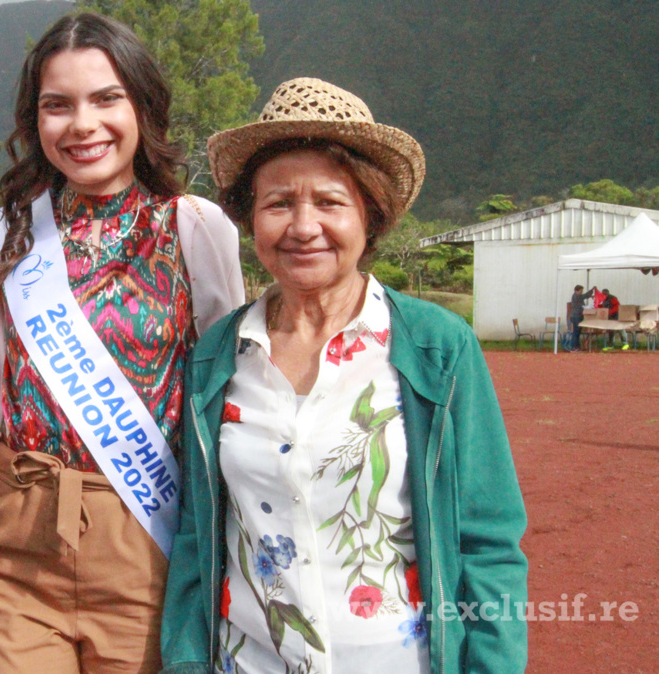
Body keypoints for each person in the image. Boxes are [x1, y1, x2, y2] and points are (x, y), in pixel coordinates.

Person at [161, 78, 528, 673]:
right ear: (251, 221)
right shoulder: (216, 357)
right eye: (278, 203)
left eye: (330, 202)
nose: (303, 227)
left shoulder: (437, 347)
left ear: (370, 214)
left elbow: (488, 540)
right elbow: (196, 543)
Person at [0, 12, 244, 673]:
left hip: (146, 537)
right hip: (15, 539)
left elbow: (228, 385)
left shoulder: (195, 226)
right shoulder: (11, 228)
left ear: (141, 105)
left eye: (106, 98)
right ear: (35, 123)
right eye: (56, 106)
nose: (82, 125)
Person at [567, 284, 595, 351]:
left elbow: (584, 296)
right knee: (576, 332)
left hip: (577, 316)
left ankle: (577, 347)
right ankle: (574, 347)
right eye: (581, 290)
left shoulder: (576, 296)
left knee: (577, 332)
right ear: (577, 291)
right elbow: (584, 296)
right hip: (576, 316)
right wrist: (592, 290)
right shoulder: (576, 296)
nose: (582, 292)